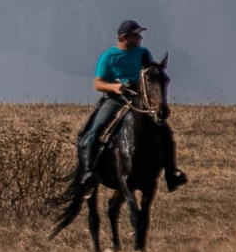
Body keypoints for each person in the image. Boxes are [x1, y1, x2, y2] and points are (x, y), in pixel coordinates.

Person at [76, 19, 187, 189]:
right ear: (125, 37)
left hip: (139, 99)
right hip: (115, 99)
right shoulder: (108, 57)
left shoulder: (143, 53)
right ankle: (88, 171)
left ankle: (171, 174)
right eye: (136, 35)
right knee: (96, 130)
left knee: (165, 131)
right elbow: (98, 83)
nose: (140, 38)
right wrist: (115, 86)